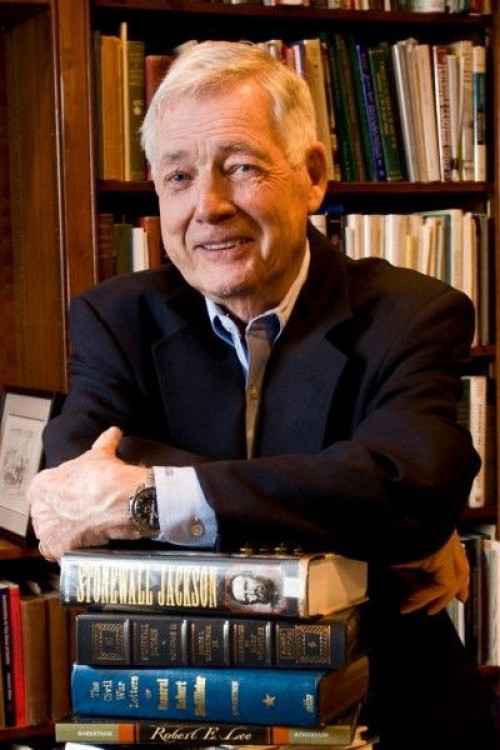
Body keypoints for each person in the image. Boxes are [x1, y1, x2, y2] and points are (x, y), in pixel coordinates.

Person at [28, 41, 497, 748]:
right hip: (176, 697)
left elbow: (411, 484)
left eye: (241, 167)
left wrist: (147, 497)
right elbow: (73, 488)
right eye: (179, 176)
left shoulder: (411, 312)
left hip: (383, 699)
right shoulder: (115, 318)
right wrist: (356, 520)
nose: (208, 207)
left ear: (312, 176)